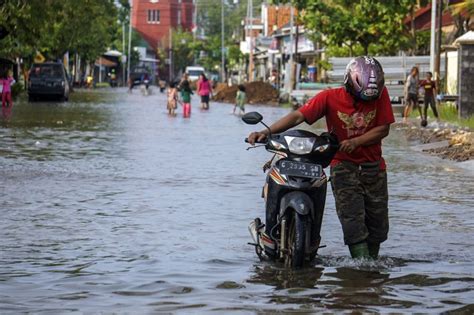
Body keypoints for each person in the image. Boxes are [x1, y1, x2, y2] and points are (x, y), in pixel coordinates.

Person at [248, 56, 395, 259]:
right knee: (352, 221)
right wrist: (267, 132)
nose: (365, 102)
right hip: (343, 166)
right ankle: (363, 270)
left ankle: (372, 265)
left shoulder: (380, 94)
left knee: (377, 224)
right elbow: (298, 116)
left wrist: (356, 142)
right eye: (361, 97)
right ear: (349, 84)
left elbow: (383, 129)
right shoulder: (329, 97)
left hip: (374, 168)